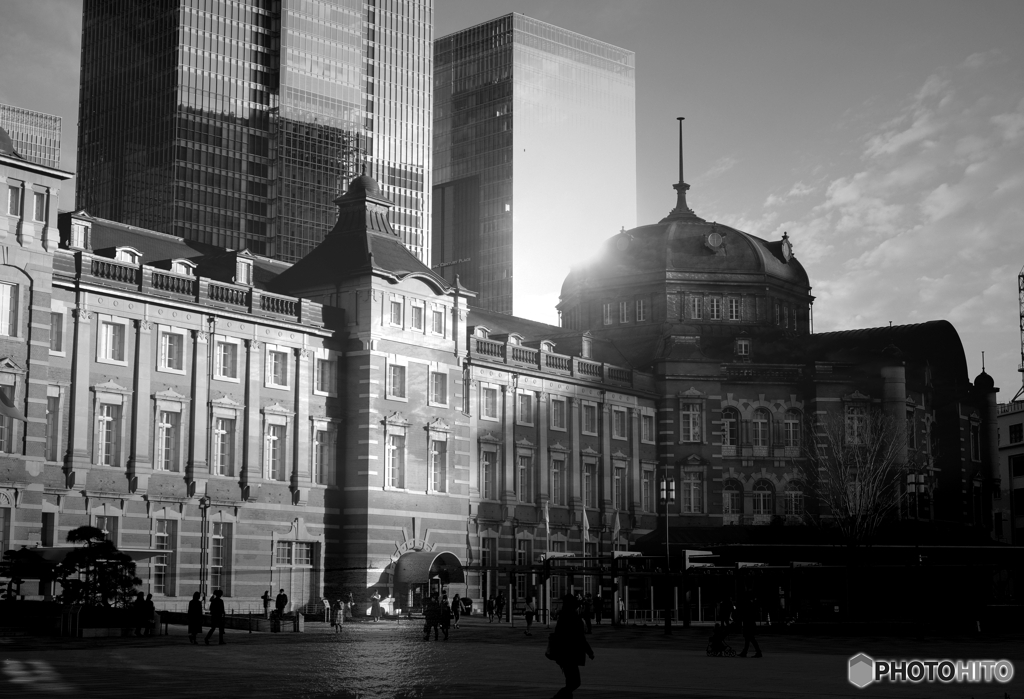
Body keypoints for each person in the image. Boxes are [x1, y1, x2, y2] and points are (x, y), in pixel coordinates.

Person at [546, 593, 594, 698]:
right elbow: (580, 638)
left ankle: (564, 697)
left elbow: (558, 634)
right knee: (575, 682)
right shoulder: (573, 617)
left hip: (563, 653)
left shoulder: (563, 616)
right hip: (570, 653)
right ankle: (557, 698)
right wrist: (589, 651)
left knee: (571, 681)